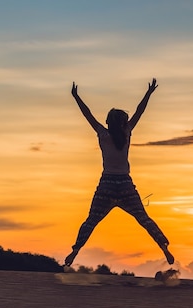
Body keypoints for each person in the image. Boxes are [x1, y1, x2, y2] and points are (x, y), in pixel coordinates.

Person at [64, 78, 174, 267]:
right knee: (143, 218)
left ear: (107, 122)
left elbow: (87, 114)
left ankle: (75, 250)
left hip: (106, 184)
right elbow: (140, 112)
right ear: (124, 123)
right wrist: (148, 93)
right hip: (125, 185)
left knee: (91, 220)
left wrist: (76, 97)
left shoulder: (102, 133)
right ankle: (163, 246)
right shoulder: (127, 133)